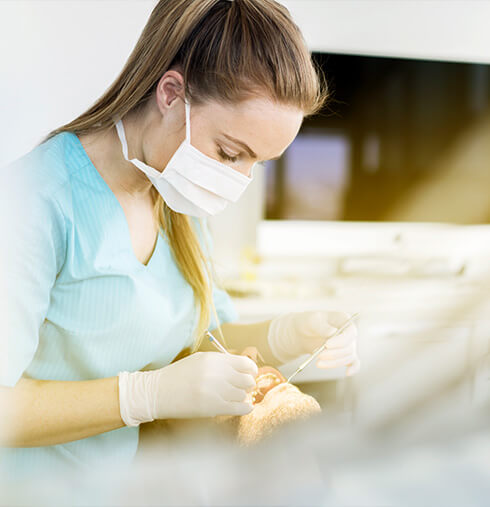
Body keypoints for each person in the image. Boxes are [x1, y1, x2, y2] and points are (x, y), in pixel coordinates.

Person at [0, 0, 359, 481]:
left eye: (258, 165)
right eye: (231, 153)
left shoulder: (173, 196)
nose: (238, 181)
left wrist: (285, 334)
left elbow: (204, 339)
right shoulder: (35, 203)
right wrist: (145, 395)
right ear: (171, 93)